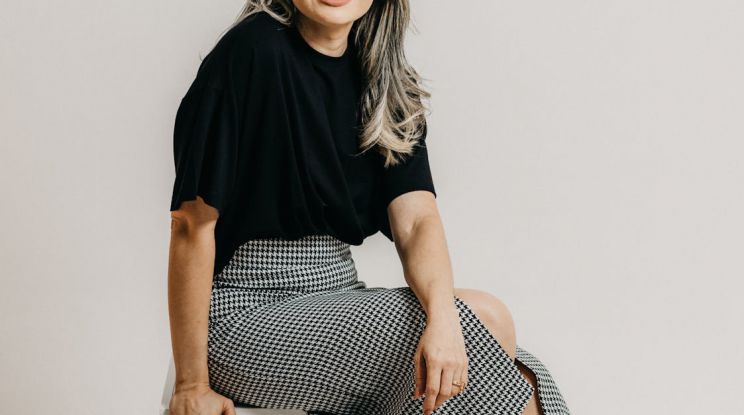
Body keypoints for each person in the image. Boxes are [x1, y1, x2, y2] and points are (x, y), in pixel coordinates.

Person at [166, 1, 571, 414]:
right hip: (246, 311)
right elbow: (191, 226)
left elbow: (416, 221)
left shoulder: (383, 77)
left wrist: (443, 316)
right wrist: (191, 383)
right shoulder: (252, 51)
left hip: (336, 293)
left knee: (499, 351)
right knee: (487, 322)